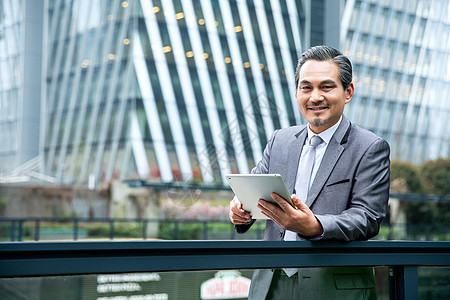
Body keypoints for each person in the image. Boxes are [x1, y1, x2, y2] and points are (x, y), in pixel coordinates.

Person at [229, 45, 390, 299]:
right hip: (271, 285)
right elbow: (251, 193)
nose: (315, 97)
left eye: (326, 87)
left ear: (348, 92)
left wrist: (315, 225)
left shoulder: (370, 147)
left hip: (333, 288)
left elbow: (368, 217)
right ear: (296, 92)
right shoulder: (279, 141)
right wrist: (240, 211)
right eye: (306, 87)